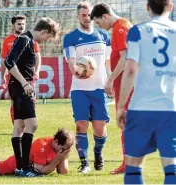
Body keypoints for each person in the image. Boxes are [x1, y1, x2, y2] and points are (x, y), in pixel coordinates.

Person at [116, 0, 176, 184]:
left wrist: (120, 106)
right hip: (170, 107)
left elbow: (131, 69)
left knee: (134, 164)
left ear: (147, 7)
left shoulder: (138, 31)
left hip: (141, 107)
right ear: (170, 7)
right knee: (171, 166)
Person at [4, 17, 59, 176]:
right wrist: (25, 84)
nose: (45, 40)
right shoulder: (25, 40)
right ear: (44, 31)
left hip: (19, 86)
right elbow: (9, 62)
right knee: (32, 125)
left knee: (19, 126)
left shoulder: (26, 40)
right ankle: (26, 166)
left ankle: (20, 167)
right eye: (47, 37)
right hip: (21, 87)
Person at [63, 1, 111, 173]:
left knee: (99, 128)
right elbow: (71, 60)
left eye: (89, 14)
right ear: (78, 16)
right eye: (83, 15)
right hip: (79, 89)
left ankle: (98, 153)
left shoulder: (104, 35)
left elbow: (108, 62)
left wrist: (111, 80)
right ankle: (85, 163)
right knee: (81, 125)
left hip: (99, 88)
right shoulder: (70, 37)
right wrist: (77, 71)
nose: (87, 18)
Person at [91, 3, 133, 174]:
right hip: (127, 83)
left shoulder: (120, 27)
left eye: (99, 23)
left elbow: (125, 58)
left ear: (105, 16)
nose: (101, 27)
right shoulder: (123, 25)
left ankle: (128, 164)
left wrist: (110, 80)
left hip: (126, 84)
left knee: (125, 122)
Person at [0, 14, 42, 124]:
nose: (21, 26)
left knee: (31, 100)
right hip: (14, 76)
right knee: (15, 102)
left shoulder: (30, 39)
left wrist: (37, 71)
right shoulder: (7, 41)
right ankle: (17, 126)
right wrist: (2, 75)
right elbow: (4, 60)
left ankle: (28, 123)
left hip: (28, 76)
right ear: (13, 25)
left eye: (23, 24)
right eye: (19, 24)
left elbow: (38, 57)